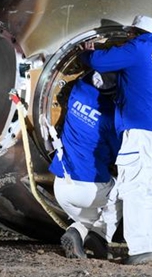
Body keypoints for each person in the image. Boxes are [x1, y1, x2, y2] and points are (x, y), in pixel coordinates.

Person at [78, 14, 152, 265]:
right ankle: (151, 247)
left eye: (130, 33)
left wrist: (86, 54)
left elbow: (101, 60)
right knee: (147, 189)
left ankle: (140, 248)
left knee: (133, 189)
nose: (127, 37)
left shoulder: (139, 48)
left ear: (136, 32)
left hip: (141, 129)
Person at [50, 70, 121, 259]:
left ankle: (78, 233)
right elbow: (119, 154)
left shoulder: (77, 92)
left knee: (91, 216)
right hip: (88, 189)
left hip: (60, 186)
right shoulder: (110, 117)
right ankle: (100, 236)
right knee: (124, 192)